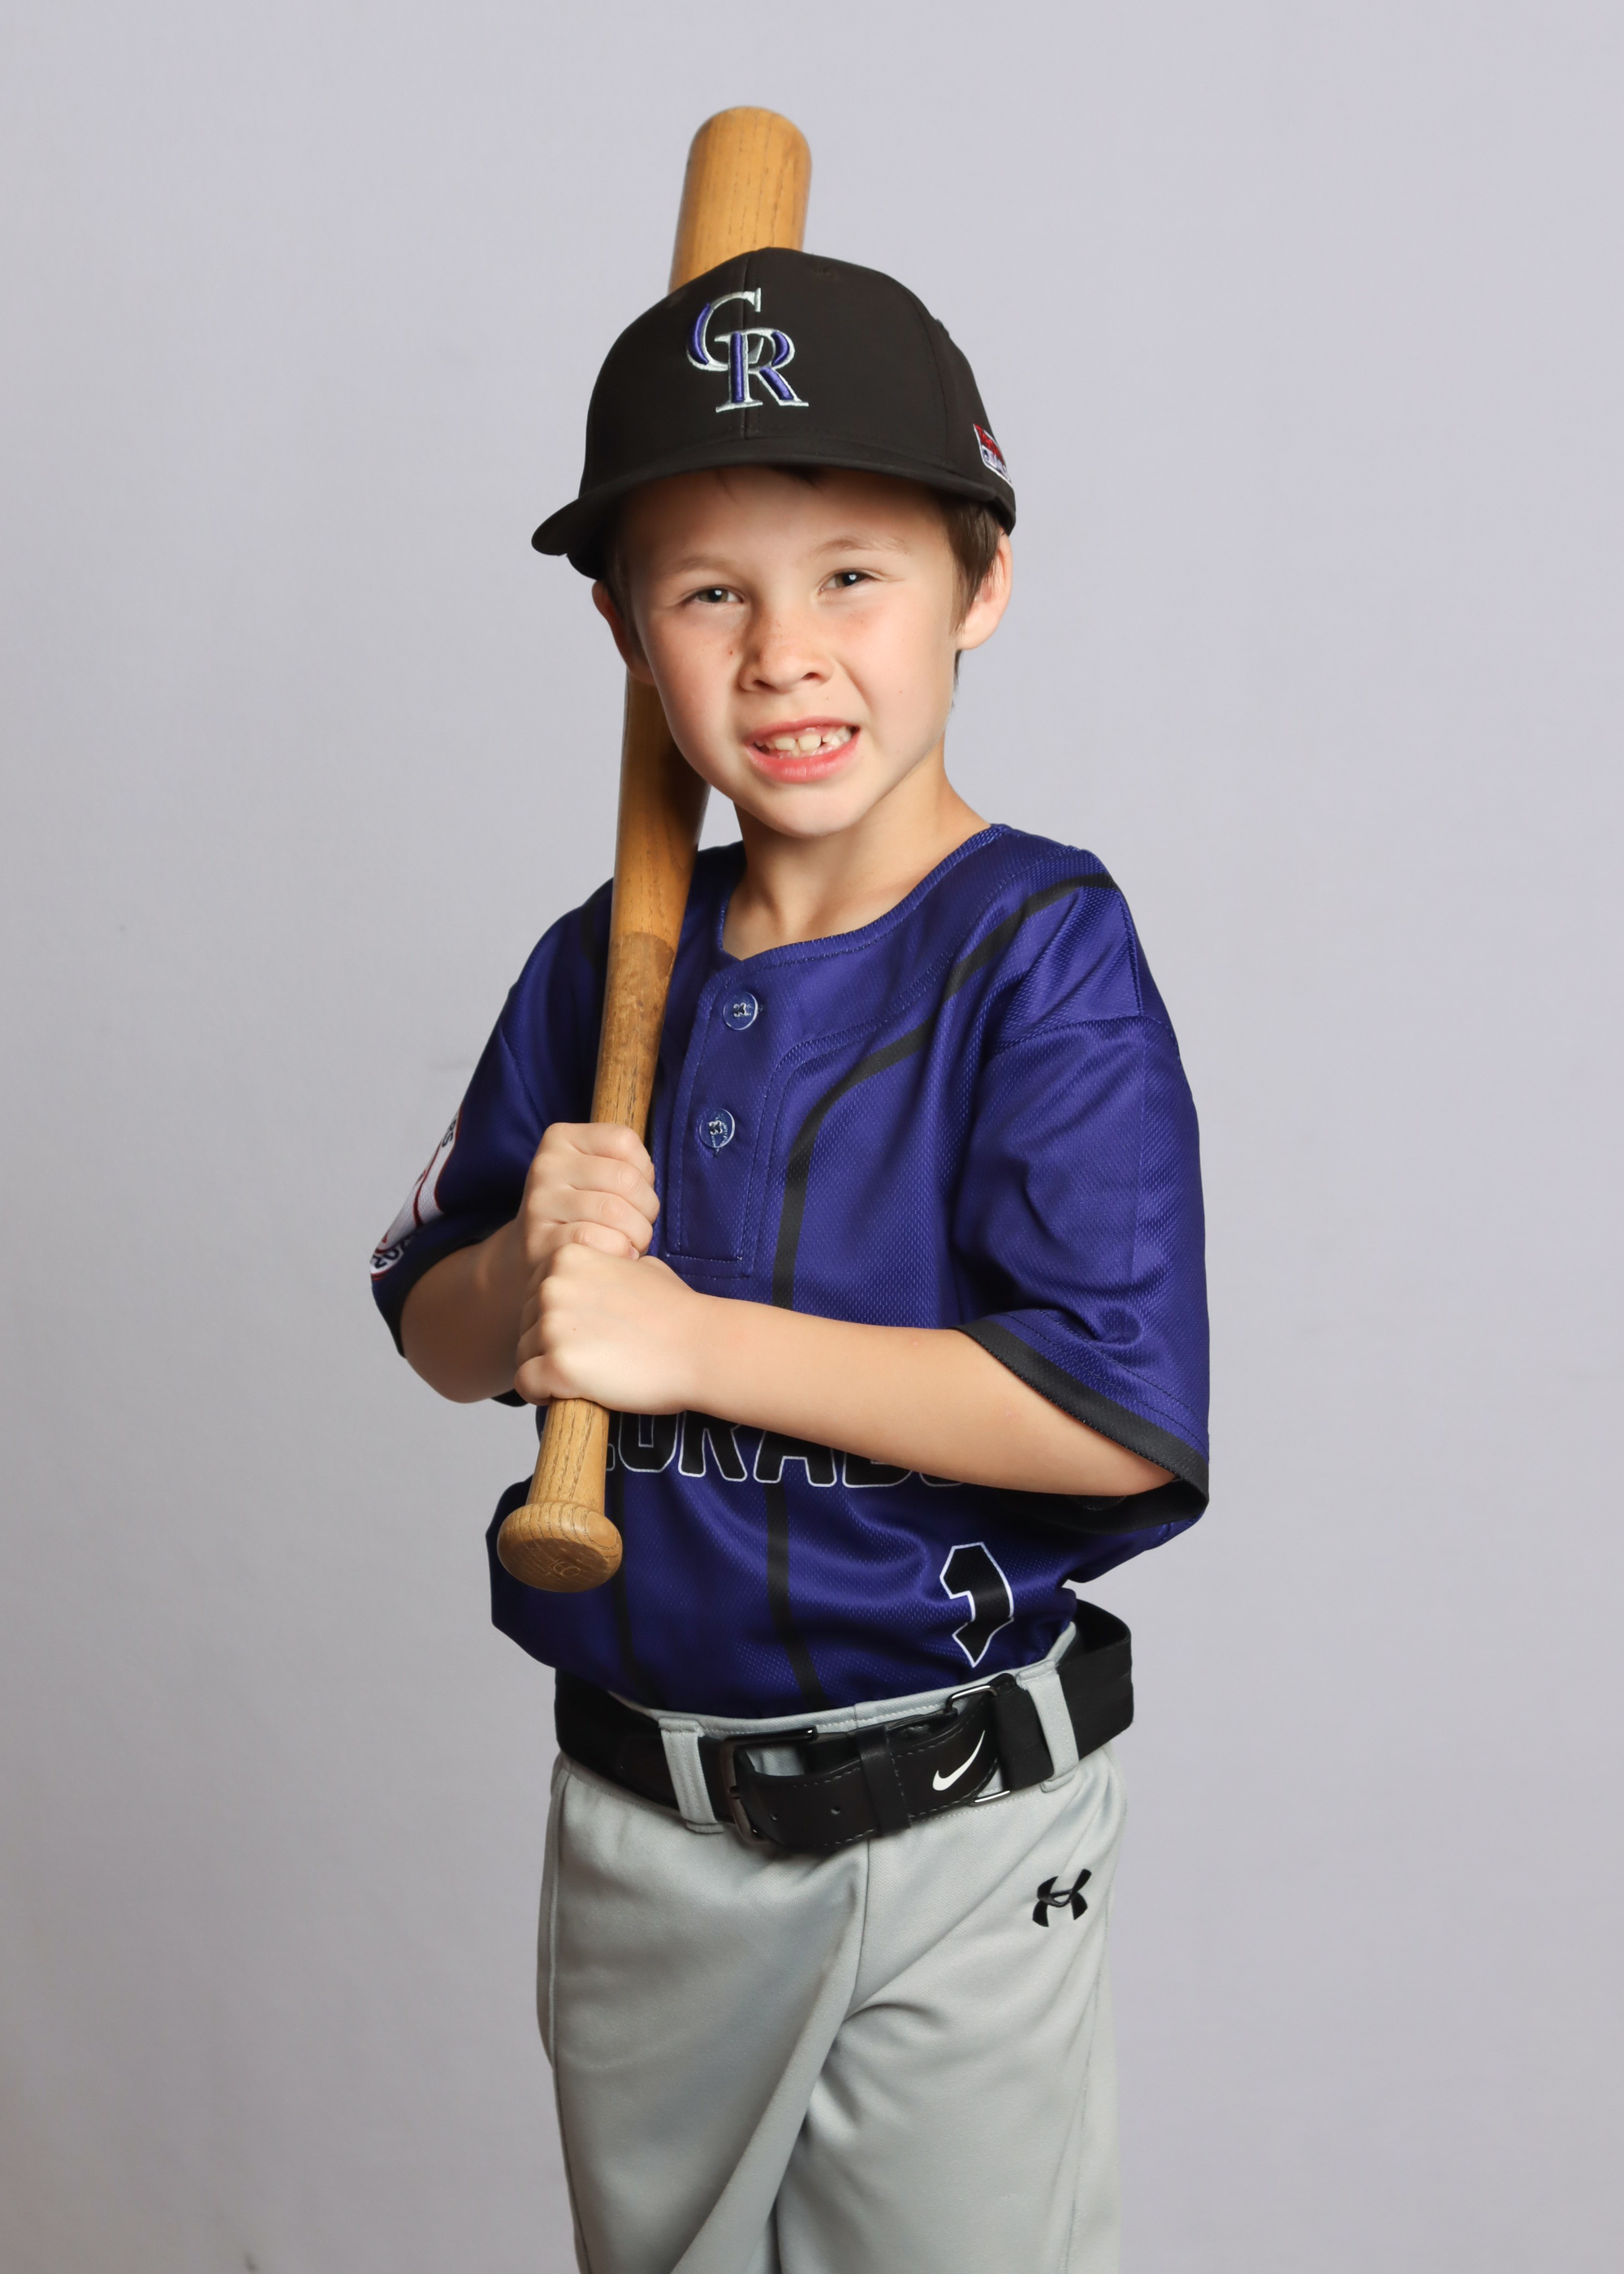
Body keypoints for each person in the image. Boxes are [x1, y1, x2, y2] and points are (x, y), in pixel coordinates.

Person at [371, 248, 1208, 2274]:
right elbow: (438, 1326)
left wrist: (684, 1340)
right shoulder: (599, 962)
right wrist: (529, 1275)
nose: (782, 655)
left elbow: (1105, 1414)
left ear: (977, 585)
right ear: (622, 630)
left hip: (956, 1810)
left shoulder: (1042, 951)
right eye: (708, 592)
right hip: (640, 1822)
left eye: (851, 575)